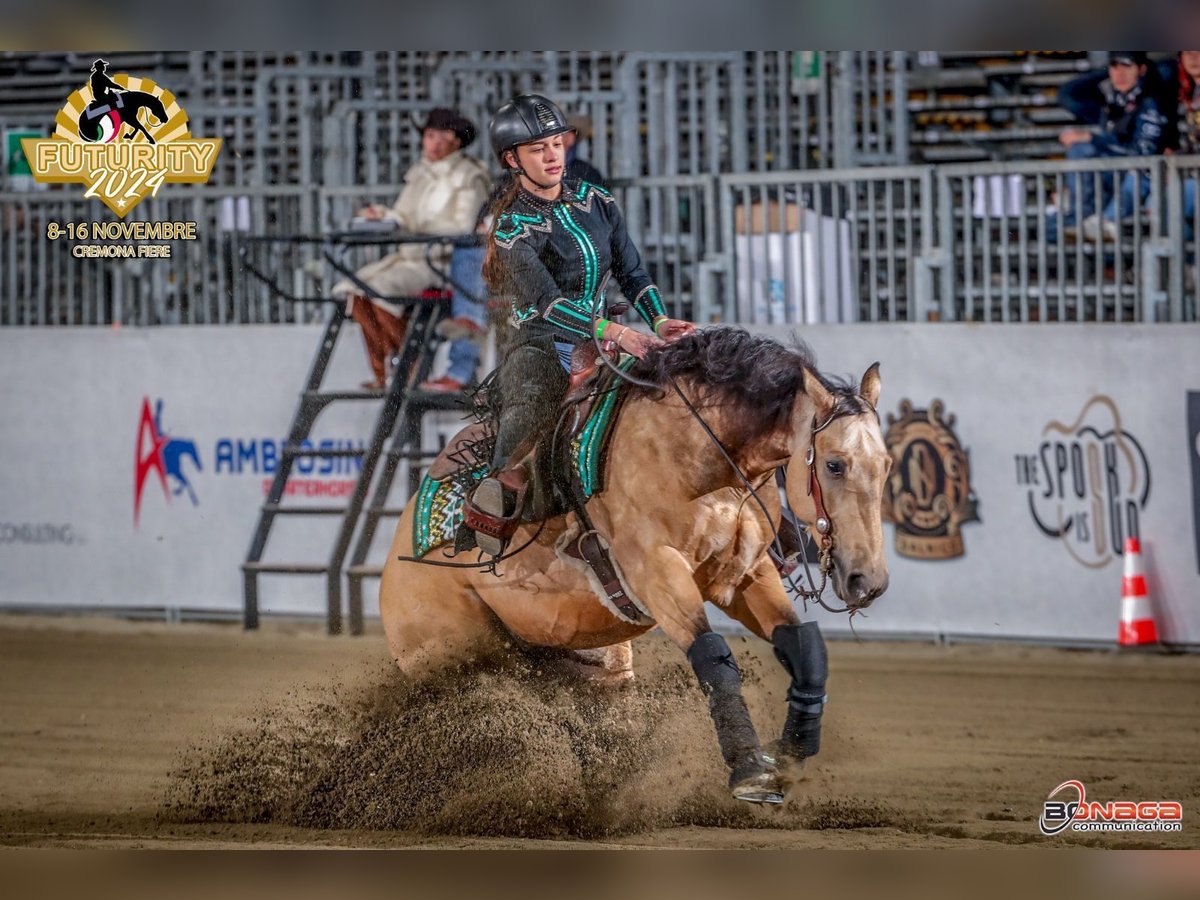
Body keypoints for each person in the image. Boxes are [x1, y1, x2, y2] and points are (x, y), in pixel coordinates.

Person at [463, 94, 695, 557]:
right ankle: (493, 501)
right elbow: (548, 305)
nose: (552, 156)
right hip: (538, 344)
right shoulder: (511, 228)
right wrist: (620, 334)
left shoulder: (599, 201)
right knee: (531, 401)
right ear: (512, 159)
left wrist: (660, 320)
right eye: (537, 149)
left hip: (605, 337)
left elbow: (633, 273)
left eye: (556, 144)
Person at [332, 108, 490, 390]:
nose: (434, 143)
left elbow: (463, 227)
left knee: (380, 291)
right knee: (354, 291)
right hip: (410, 257)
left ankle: (407, 364)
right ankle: (386, 371)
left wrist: (414, 231)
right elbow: (403, 215)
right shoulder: (420, 173)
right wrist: (383, 216)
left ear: (456, 142)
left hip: (441, 262)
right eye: (430, 136)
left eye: (442, 137)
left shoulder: (470, 176)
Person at [1056, 52, 1171, 240]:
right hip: (1114, 176)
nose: (1119, 74)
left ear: (1142, 69)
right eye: (1114, 67)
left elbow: (1142, 154)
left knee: (1139, 173)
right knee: (1079, 150)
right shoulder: (1113, 99)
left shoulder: (1153, 101)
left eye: (1126, 67)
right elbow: (1067, 94)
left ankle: (1104, 221)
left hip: (1144, 178)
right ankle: (1079, 215)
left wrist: (1093, 139)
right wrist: (1105, 73)